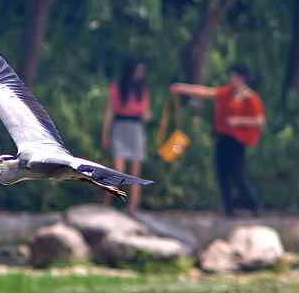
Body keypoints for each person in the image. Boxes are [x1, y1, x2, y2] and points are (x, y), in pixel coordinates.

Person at [170, 65, 265, 217]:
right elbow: (205, 92)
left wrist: (239, 120)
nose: (231, 79)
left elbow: (259, 121)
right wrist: (182, 88)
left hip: (237, 141)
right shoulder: (226, 92)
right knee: (222, 174)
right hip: (222, 137)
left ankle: (254, 205)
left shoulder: (251, 98)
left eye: (234, 77)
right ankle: (228, 210)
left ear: (242, 78)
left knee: (238, 173)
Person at [102, 60, 152, 213]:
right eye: (138, 71)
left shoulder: (142, 90)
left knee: (136, 171)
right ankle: (106, 205)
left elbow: (145, 114)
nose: (140, 75)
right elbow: (109, 113)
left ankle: (133, 207)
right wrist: (105, 135)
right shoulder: (117, 88)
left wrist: (148, 116)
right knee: (118, 169)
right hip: (120, 127)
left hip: (136, 128)